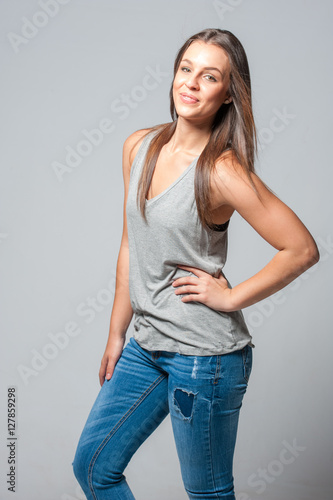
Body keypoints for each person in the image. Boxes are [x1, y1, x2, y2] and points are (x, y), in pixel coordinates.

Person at [72, 28, 319, 499]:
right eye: (186, 69)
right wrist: (116, 332)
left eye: (209, 77)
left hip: (204, 360)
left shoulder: (221, 170)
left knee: (206, 493)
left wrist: (229, 296)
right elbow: (131, 244)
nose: (191, 83)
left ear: (228, 94)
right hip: (146, 344)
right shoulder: (138, 146)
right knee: (94, 466)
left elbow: (302, 248)